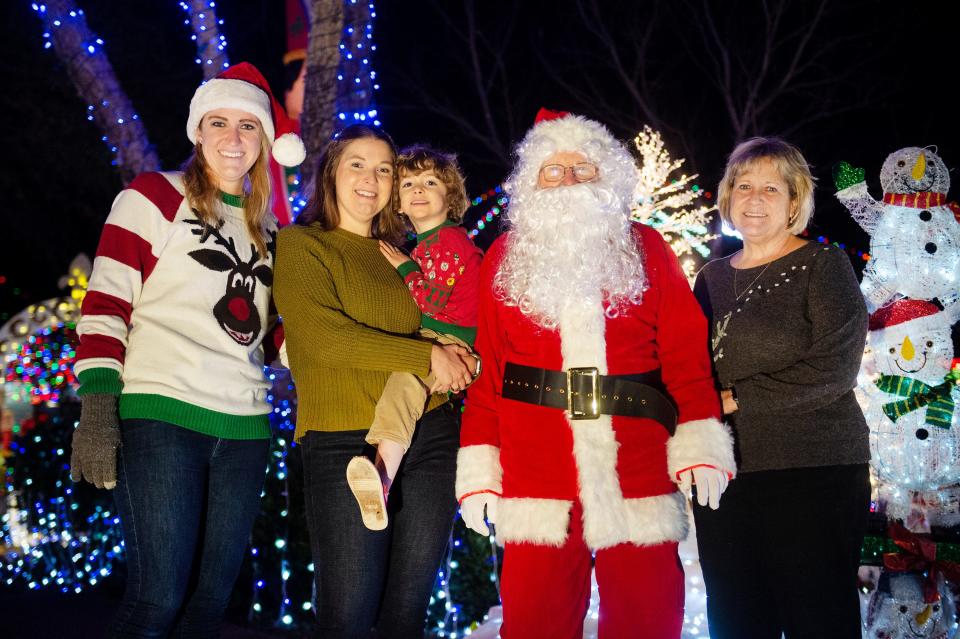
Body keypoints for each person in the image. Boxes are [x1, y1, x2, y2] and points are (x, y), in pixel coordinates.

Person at [455, 109, 736, 639]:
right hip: (535, 468)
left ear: (608, 176)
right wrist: (479, 472)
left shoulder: (646, 248)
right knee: (534, 621)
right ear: (531, 183)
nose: (569, 180)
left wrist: (700, 438)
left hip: (637, 464)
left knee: (648, 617)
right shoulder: (503, 258)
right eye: (553, 170)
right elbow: (487, 372)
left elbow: (685, 352)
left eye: (582, 168)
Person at [70, 62, 304, 636]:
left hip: (245, 430)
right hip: (161, 417)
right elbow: (105, 305)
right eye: (219, 122)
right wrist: (98, 412)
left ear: (264, 141)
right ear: (198, 131)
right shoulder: (151, 195)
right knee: (157, 601)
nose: (233, 138)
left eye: (248, 126)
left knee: (208, 609)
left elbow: (275, 341)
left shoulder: (271, 232)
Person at [272, 125, 475, 639]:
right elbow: (325, 340)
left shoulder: (403, 252)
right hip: (344, 441)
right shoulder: (302, 245)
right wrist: (428, 354)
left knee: (405, 617)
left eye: (385, 168)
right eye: (357, 164)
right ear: (331, 173)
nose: (373, 177)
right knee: (348, 617)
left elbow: (454, 317)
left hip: (432, 435)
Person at [692, 137, 870, 638]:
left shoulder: (823, 266)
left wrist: (735, 398)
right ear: (727, 197)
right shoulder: (709, 278)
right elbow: (687, 366)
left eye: (771, 188)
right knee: (736, 618)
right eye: (743, 186)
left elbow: (834, 368)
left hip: (813, 470)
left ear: (795, 202)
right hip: (725, 472)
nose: (754, 198)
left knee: (816, 617)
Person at [346, 145, 483, 530]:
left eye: (430, 182)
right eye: (408, 183)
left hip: (447, 335)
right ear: (400, 203)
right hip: (438, 333)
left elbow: (435, 301)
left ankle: (382, 475)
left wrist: (405, 268)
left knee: (407, 380)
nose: (418, 189)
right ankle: (381, 476)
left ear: (449, 196)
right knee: (401, 379)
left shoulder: (448, 242)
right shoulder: (427, 245)